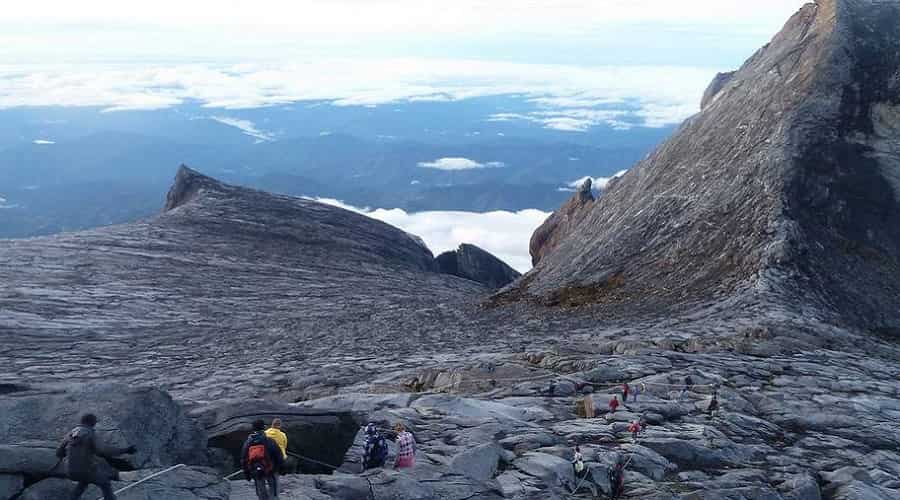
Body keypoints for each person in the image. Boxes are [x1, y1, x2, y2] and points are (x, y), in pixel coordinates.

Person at [56, 413, 136, 500]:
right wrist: (125, 450)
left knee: (84, 481)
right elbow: (103, 450)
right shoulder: (90, 433)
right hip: (85, 471)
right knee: (105, 482)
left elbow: (58, 453)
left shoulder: (70, 433)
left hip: (69, 471)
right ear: (92, 423)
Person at [242, 419, 284, 499]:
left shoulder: (248, 442)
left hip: (256, 471)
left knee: (261, 491)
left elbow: (244, 459)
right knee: (273, 491)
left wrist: (247, 474)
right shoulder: (269, 441)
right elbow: (278, 455)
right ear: (264, 427)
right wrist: (281, 468)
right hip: (271, 470)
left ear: (253, 429)